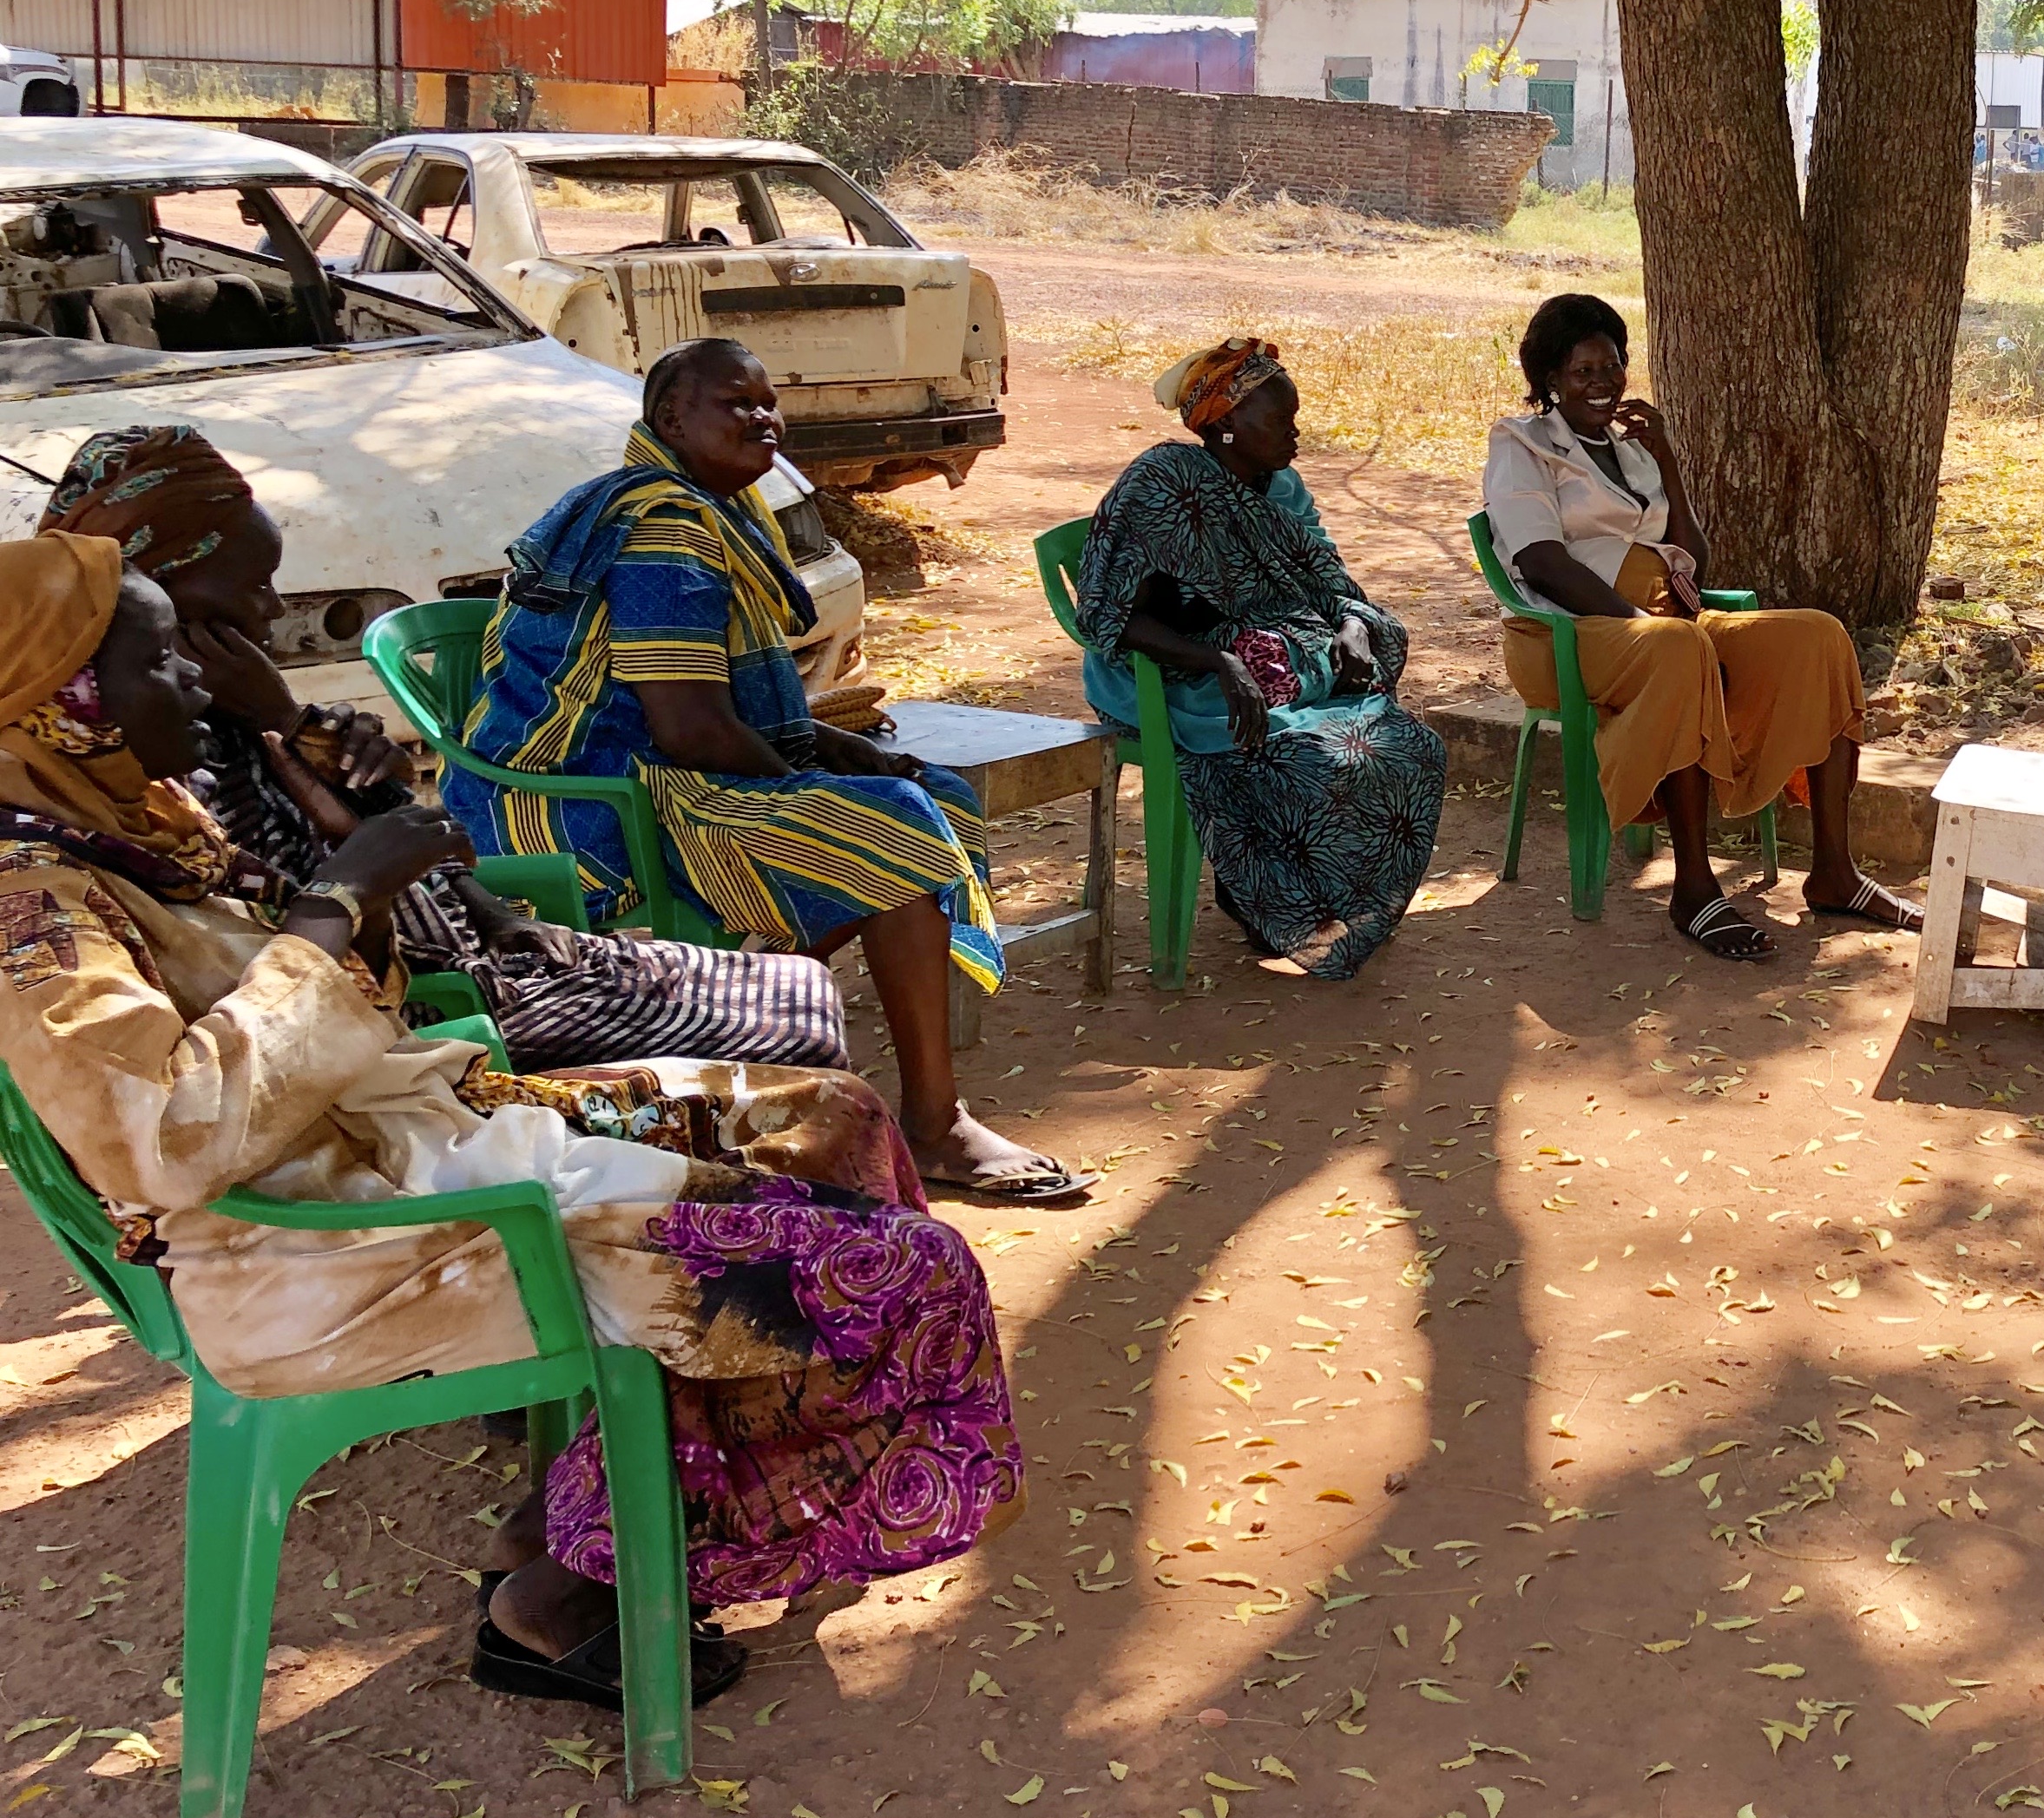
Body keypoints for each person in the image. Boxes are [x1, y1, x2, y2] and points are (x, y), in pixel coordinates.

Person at [0, 531, 1022, 1707]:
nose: (189, 677)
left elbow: (338, 998)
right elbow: (165, 1138)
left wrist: (352, 850)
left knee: (828, 1120)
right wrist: (337, 902)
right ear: (66, 703)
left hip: (398, 1153)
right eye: (158, 659)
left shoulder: (130, 830)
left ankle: (577, 1537)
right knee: (901, 1270)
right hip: (322, 1250)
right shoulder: (33, 915)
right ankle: (581, 1587)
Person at [451, 337, 1082, 1202]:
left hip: (641, 768)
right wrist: (804, 777)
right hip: (578, 802)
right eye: (734, 403)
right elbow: (690, 725)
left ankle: (735, 1019)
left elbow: (714, 708)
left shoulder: (704, 508)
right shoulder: (665, 525)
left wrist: (827, 746)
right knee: (891, 825)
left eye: (767, 401)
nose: (761, 417)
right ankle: (932, 1123)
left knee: (915, 792)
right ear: (670, 417)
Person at [34, 425, 849, 1071]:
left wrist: (486, 904)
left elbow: (411, 841)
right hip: (417, 1014)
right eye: (250, 585)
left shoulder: (224, 710)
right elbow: (287, 932)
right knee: (793, 1033)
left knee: (802, 994)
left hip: (474, 957)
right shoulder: (145, 773)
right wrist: (291, 731)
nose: (269, 610)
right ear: (148, 579)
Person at [1482, 293, 1916, 962]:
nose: (1601, 384)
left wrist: (1669, 463)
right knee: (1680, 646)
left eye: (1612, 367)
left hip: (1665, 618)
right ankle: (1693, 888)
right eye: (1582, 372)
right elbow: (1539, 561)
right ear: (1548, 379)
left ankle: (1834, 871)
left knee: (1817, 636)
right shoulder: (1521, 445)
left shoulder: (1632, 452)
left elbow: (1693, 561)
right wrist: (1638, 623)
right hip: (1569, 634)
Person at [1073, 336, 1446, 978]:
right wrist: (1218, 660)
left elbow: (1329, 580)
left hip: (1265, 657)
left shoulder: (1282, 485)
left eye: (1295, 419)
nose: (1295, 435)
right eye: (1279, 421)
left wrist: (1352, 624)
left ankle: (1336, 901)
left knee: (1409, 747)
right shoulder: (1165, 483)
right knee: (1300, 755)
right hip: (1169, 674)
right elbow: (1109, 614)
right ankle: (1267, 898)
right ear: (1222, 425)